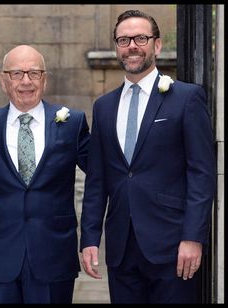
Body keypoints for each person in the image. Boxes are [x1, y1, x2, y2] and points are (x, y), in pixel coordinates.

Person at [80, 10, 216, 304]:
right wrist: (90, 239)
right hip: (121, 249)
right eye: (124, 39)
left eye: (141, 38)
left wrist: (193, 237)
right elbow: (97, 180)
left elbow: (201, 174)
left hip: (172, 247)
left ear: (156, 45)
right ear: (116, 46)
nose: (132, 46)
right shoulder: (103, 107)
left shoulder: (186, 98)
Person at [0, 45, 91, 303]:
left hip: (53, 256)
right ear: (3, 80)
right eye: (17, 73)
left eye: (34, 73)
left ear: (45, 79)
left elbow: (101, 176)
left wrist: (91, 236)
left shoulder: (71, 123)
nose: (26, 81)